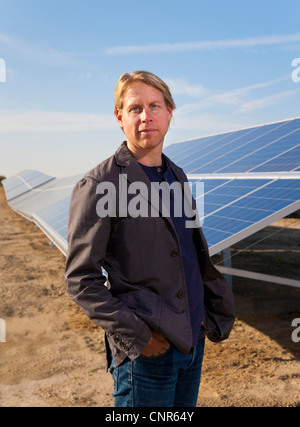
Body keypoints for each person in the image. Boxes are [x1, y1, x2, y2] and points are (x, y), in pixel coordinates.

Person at [65, 71, 235, 407]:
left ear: (170, 112)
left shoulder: (178, 176)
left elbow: (189, 255)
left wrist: (202, 317)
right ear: (119, 117)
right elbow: (81, 281)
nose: (146, 116)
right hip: (147, 353)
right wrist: (139, 337)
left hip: (191, 342)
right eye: (135, 108)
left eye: (154, 105)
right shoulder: (101, 184)